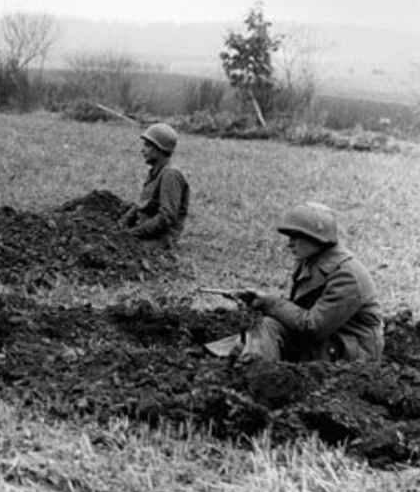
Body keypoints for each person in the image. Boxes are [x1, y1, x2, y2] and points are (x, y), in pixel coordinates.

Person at [210, 202, 384, 363]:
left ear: (317, 238)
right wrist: (261, 301)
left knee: (269, 327)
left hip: (349, 356)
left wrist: (270, 303)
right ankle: (250, 365)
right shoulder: (311, 261)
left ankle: (258, 374)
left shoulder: (347, 276)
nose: (289, 244)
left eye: (296, 237)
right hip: (327, 342)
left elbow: (313, 327)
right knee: (264, 330)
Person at [118, 123, 189, 250]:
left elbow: (166, 218)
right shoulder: (155, 171)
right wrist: (124, 221)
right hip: (148, 228)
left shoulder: (170, 175)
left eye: (148, 146)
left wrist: (132, 233)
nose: (142, 150)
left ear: (160, 149)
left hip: (162, 238)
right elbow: (142, 204)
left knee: (121, 248)